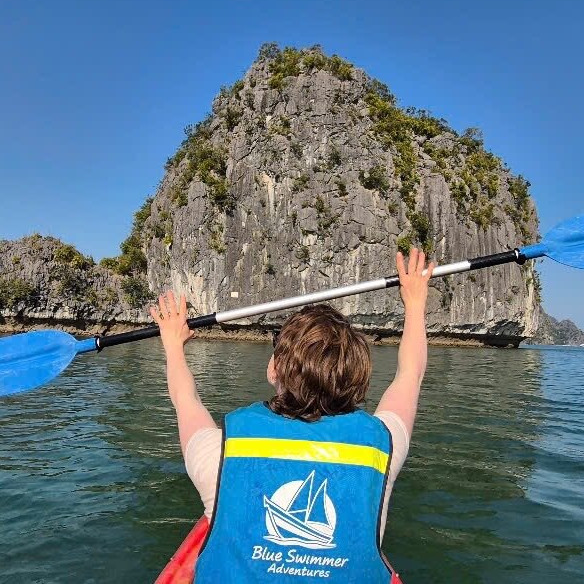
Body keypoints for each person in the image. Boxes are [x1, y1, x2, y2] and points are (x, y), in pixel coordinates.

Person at [149, 248, 435, 583]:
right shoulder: (381, 447)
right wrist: (415, 303)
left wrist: (172, 342)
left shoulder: (219, 453)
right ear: (357, 378)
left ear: (274, 368)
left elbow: (186, 399)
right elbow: (410, 375)